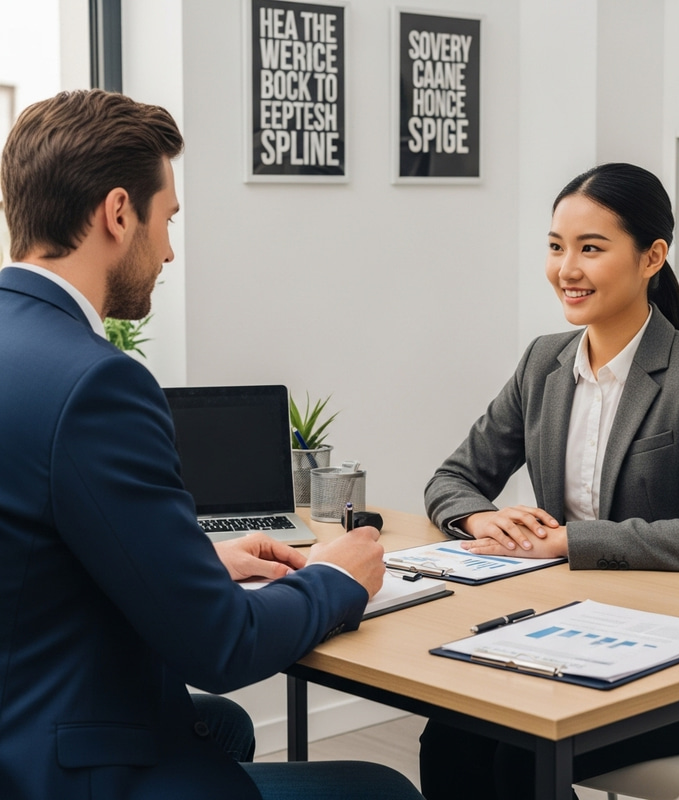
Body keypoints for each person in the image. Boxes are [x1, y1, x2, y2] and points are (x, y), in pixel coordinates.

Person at [0, 89, 423, 800]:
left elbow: (34, 556)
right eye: (166, 220)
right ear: (117, 213)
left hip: (20, 710)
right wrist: (337, 577)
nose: (168, 251)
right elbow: (221, 648)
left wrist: (192, 565)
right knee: (381, 789)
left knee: (221, 730)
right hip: (59, 772)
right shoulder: (97, 384)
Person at [419, 163, 679, 800]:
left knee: (523, 758)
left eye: (590, 249)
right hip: (563, 635)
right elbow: (452, 478)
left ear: (652, 257)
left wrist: (566, 541)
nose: (566, 269)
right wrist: (480, 516)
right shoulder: (543, 362)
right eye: (556, 247)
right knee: (450, 738)